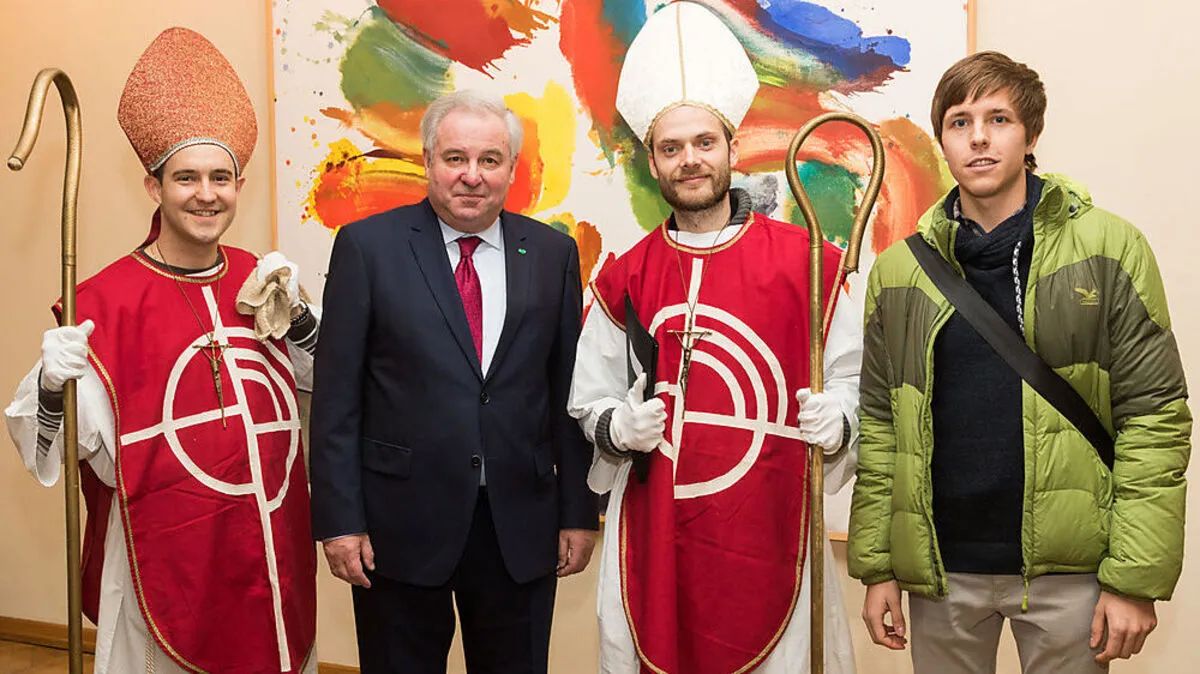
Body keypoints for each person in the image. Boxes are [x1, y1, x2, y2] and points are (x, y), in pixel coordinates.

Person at [849, 51, 1191, 673]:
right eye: (959, 121)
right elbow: (880, 425)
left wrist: (1134, 579)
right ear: (943, 142)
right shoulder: (899, 272)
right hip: (941, 572)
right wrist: (877, 568)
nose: (978, 137)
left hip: (1072, 573)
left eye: (998, 118)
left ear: (1030, 135)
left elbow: (1155, 418)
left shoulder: (1110, 248)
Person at [4, 27, 320, 673]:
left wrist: (308, 328)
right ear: (154, 187)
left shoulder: (264, 281)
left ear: (239, 184)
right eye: (186, 177)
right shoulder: (105, 303)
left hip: (268, 548)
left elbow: (316, 400)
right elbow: (63, 444)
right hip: (164, 561)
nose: (207, 193)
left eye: (221, 177)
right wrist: (49, 383)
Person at [567, 3, 863, 673]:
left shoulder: (811, 262)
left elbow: (855, 380)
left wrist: (837, 418)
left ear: (733, 145)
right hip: (657, 534)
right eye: (672, 148)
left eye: (704, 142)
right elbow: (591, 397)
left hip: (772, 523)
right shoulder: (628, 276)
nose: (690, 160)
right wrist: (620, 426)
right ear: (652, 161)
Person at [309, 90, 598, 674]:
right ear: (427, 161)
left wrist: (578, 512)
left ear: (512, 169)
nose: (472, 176)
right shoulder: (368, 249)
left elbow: (569, 393)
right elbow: (337, 399)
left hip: (519, 526)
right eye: (455, 158)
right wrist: (341, 522)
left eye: (490, 160)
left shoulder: (552, 254)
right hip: (398, 527)